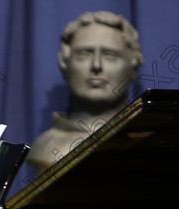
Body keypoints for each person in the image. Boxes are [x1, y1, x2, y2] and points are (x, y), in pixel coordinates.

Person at [27, 11, 144, 172]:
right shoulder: (46, 146)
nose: (96, 65)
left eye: (110, 55)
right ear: (64, 63)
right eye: (84, 54)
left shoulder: (148, 141)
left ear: (133, 65)